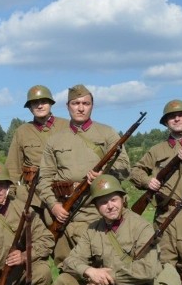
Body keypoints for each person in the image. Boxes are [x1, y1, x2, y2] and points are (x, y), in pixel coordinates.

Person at [37, 84, 131, 270]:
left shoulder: (107, 133)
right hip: (66, 213)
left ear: (92, 106)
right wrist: (53, 206)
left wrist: (104, 173)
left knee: (102, 265)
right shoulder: (55, 140)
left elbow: (125, 168)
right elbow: (44, 179)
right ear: (67, 106)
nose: (80, 108)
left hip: (98, 213)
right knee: (66, 267)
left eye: (85, 103)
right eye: (76, 103)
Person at [5, 85, 69, 218]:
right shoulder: (22, 132)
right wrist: (9, 195)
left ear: (51, 103)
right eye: (35, 103)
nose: (40, 106)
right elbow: (13, 167)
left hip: (62, 191)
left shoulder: (67, 126)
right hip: (32, 195)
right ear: (29, 107)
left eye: (44, 102)